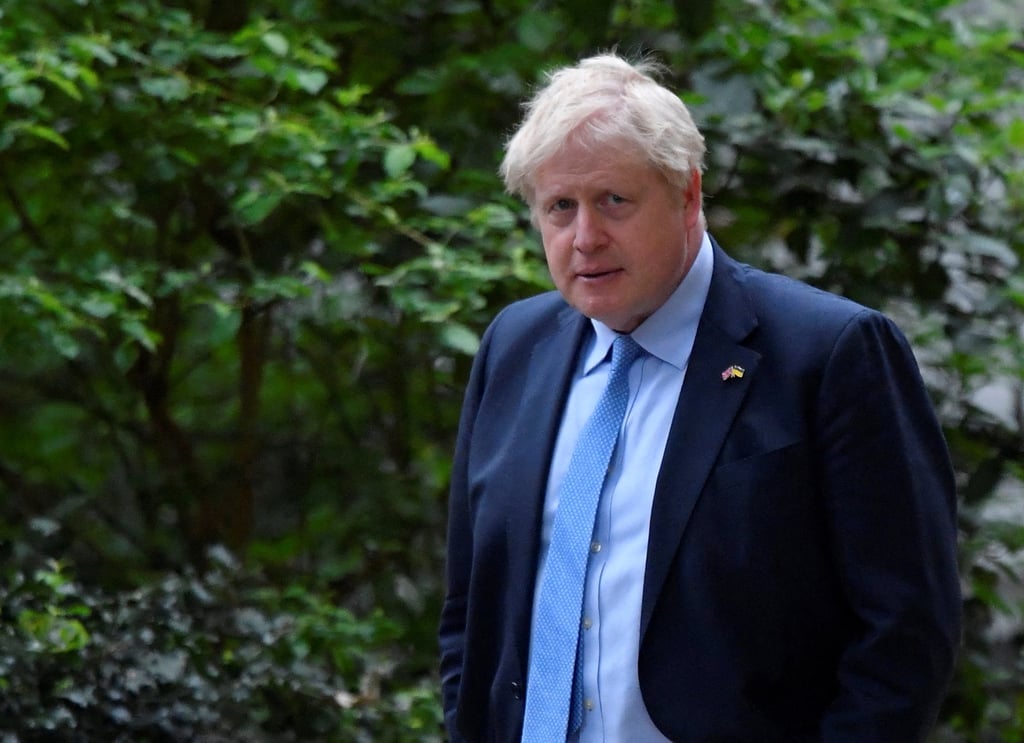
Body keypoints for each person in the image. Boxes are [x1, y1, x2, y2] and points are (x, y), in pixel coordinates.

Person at [439, 53, 961, 743]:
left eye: (613, 201)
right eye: (561, 207)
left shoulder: (828, 353)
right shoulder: (515, 345)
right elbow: (470, 605)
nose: (585, 237)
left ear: (688, 195)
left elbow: (905, 632)